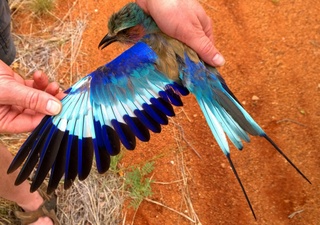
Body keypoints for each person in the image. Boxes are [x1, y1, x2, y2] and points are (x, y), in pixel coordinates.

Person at [0, 0, 225, 224]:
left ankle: (29, 199)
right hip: (199, 71)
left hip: (188, 66)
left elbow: (80, 106)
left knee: (83, 91)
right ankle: (29, 198)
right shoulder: (161, 28)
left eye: (123, 33)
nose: (113, 38)